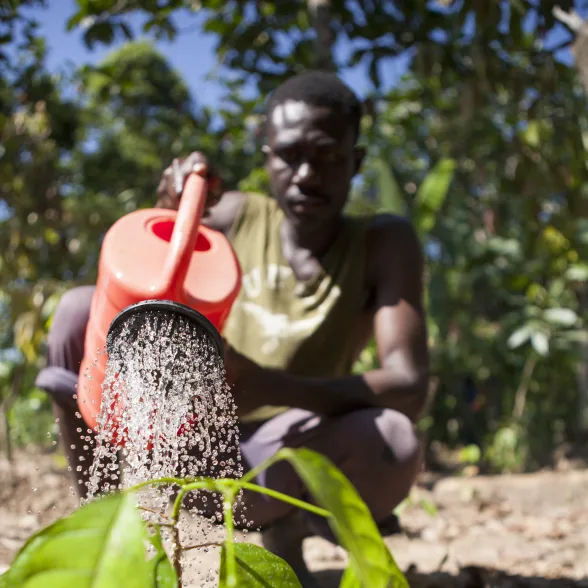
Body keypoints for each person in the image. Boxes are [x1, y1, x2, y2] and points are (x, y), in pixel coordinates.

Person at [36, 71, 428, 586]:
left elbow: (408, 386)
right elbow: (148, 295)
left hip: (283, 458)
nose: (307, 174)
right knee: (76, 310)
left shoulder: (381, 242)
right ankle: (107, 529)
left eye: (328, 156)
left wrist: (264, 385)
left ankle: (288, 530)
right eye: (289, 155)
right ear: (266, 156)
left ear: (356, 160)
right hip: (194, 444)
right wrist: (171, 211)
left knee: (392, 440)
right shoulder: (237, 217)